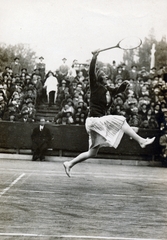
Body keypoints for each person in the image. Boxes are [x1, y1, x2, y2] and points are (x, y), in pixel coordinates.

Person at [63, 50, 155, 177]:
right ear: (100, 77)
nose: (107, 77)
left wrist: (124, 85)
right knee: (121, 120)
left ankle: (69, 164)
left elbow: (118, 90)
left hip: (97, 123)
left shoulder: (109, 90)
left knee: (92, 153)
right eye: (105, 76)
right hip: (93, 121)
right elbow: (91, 72)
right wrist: (95, 57)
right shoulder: (95, 86)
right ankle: (141, 141)